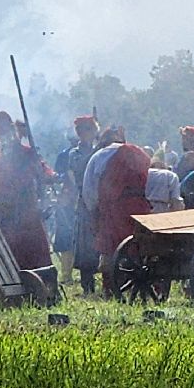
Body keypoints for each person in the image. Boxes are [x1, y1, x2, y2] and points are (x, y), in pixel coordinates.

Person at [0, 111, 53, 271]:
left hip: (27, 208)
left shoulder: (29, 154)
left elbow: (43, 172)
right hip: (8, 211)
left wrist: (44, 176)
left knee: (36, 253)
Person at [96, 143, 152, 294]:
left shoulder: (112, 168)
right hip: (140, 210)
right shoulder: (141, 164)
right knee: (138, 246)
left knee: (114, 245)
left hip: (118, 211)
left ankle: (111, 286)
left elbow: (106, 192)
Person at [77, 126, 125, 293]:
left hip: (104, 210)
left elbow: (89, 191)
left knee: (103, 247)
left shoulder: (97, 157)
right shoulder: (90, 156)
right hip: (123, 211)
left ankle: (107, 286)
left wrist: (94, 209)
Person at [52, 116, 100, 285]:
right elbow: (80, 172)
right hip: (83, 200)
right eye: (82, 129)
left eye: (88, 129)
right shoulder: (75, 153)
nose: (84, 133)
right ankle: (86, 280)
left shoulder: (99, 150)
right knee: (84, 241)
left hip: (101, 200)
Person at [145, 148, 184, 213]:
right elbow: (176, 203)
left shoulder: (143, 173)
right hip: (162, 214)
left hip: (141, 213)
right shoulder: (171, 176)